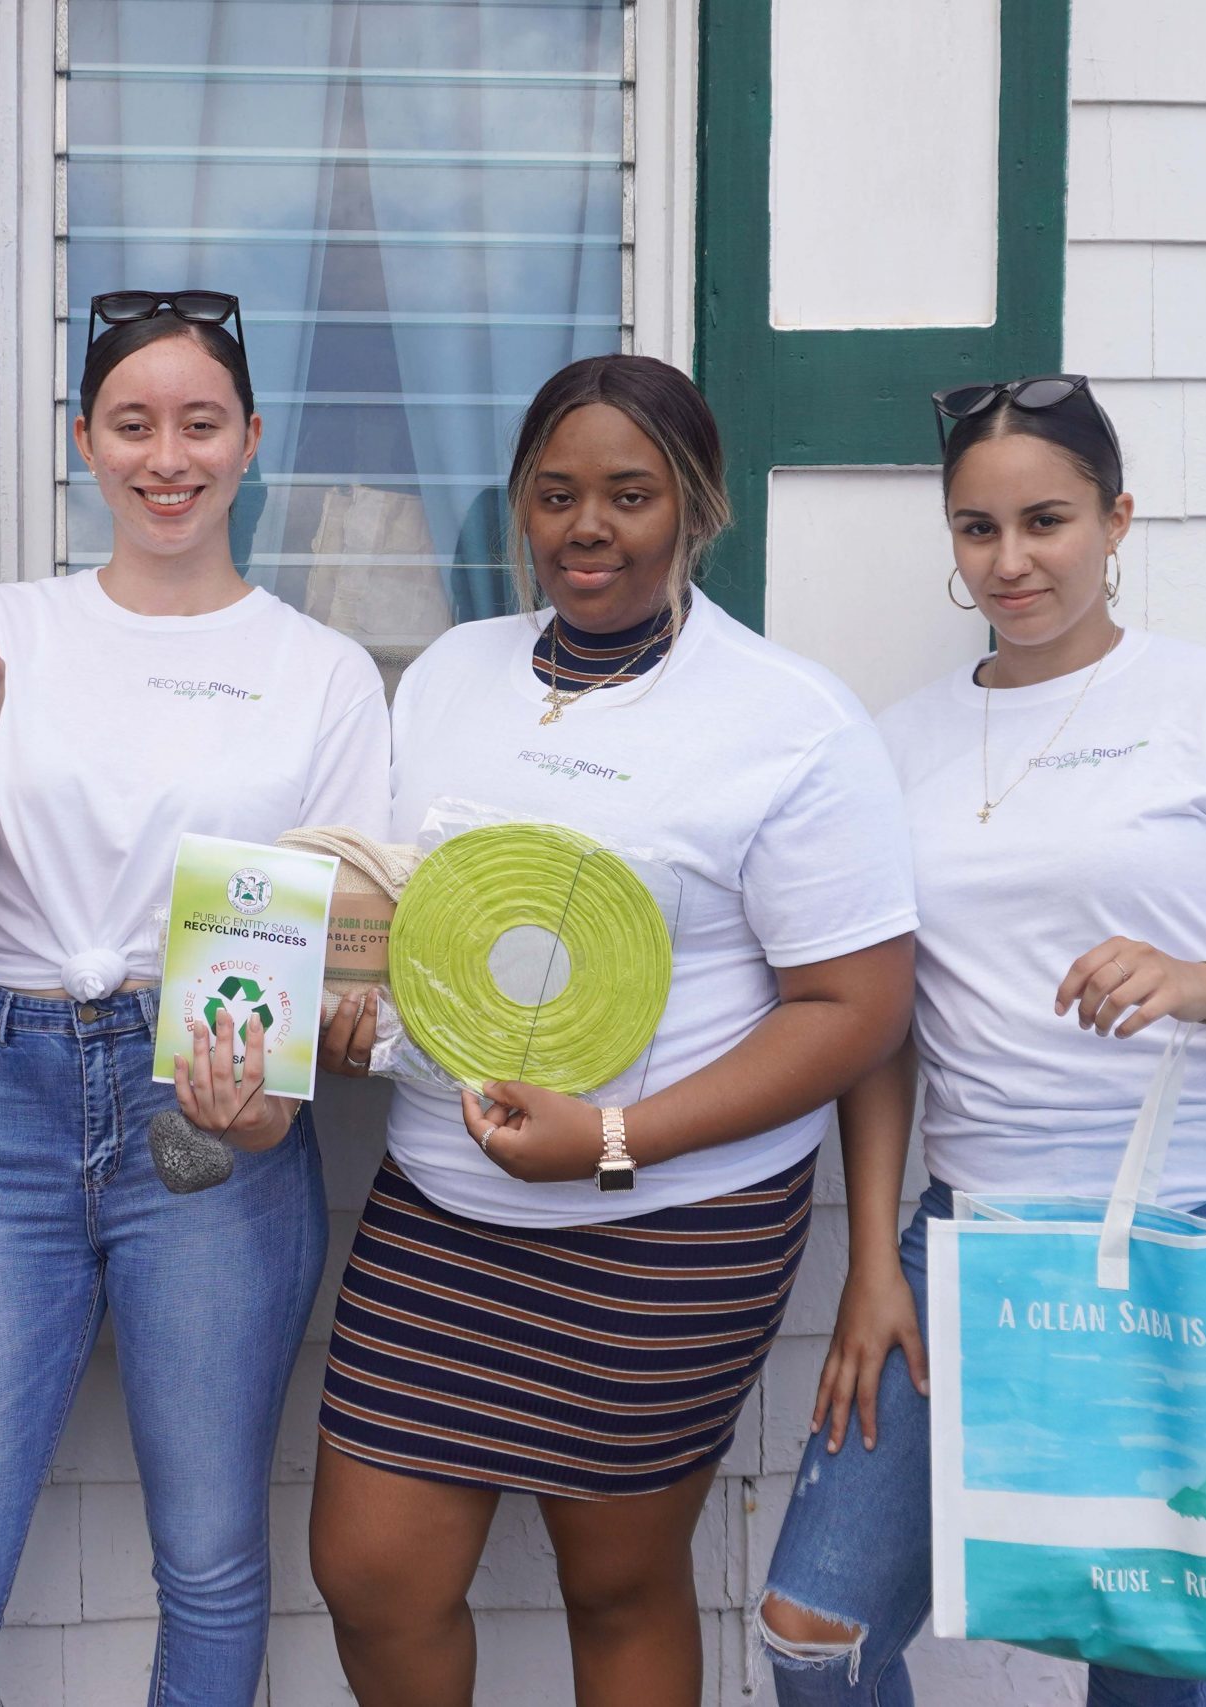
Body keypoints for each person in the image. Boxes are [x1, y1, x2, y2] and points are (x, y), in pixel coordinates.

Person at [756, 375, 1206, 1706]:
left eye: (1046, 521)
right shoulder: (900, 746)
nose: (1012, 560)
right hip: (981, 1234)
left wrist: (1205, 982)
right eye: (977, 529)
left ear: (1117, 521)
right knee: (814, 1627)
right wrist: (877, 1262)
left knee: (1149, 1644)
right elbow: (881, 1036)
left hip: (1203, 1229)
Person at [309, 354, 920, 1707]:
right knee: (371, 1574)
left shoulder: (785, 721)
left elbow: (861, 1007)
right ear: (519, 508)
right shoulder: (448, 679)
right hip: (441, 1207)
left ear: (695, 506)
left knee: (618, 1581)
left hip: (669, 1232)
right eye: (557, 493)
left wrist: (615, 1136)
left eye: (630, 494)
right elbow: (419, 924)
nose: (589, 525)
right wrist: (359, 1026)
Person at [0, 289, 390, 1706]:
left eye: (202, 423)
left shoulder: (322, 671)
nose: (170, 456)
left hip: (215, 1111)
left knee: (211, 1567)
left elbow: (340, 945)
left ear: (253, 440)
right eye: (135, 423)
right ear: (84, 441)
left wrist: (268, 1104)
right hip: (10, 1100)